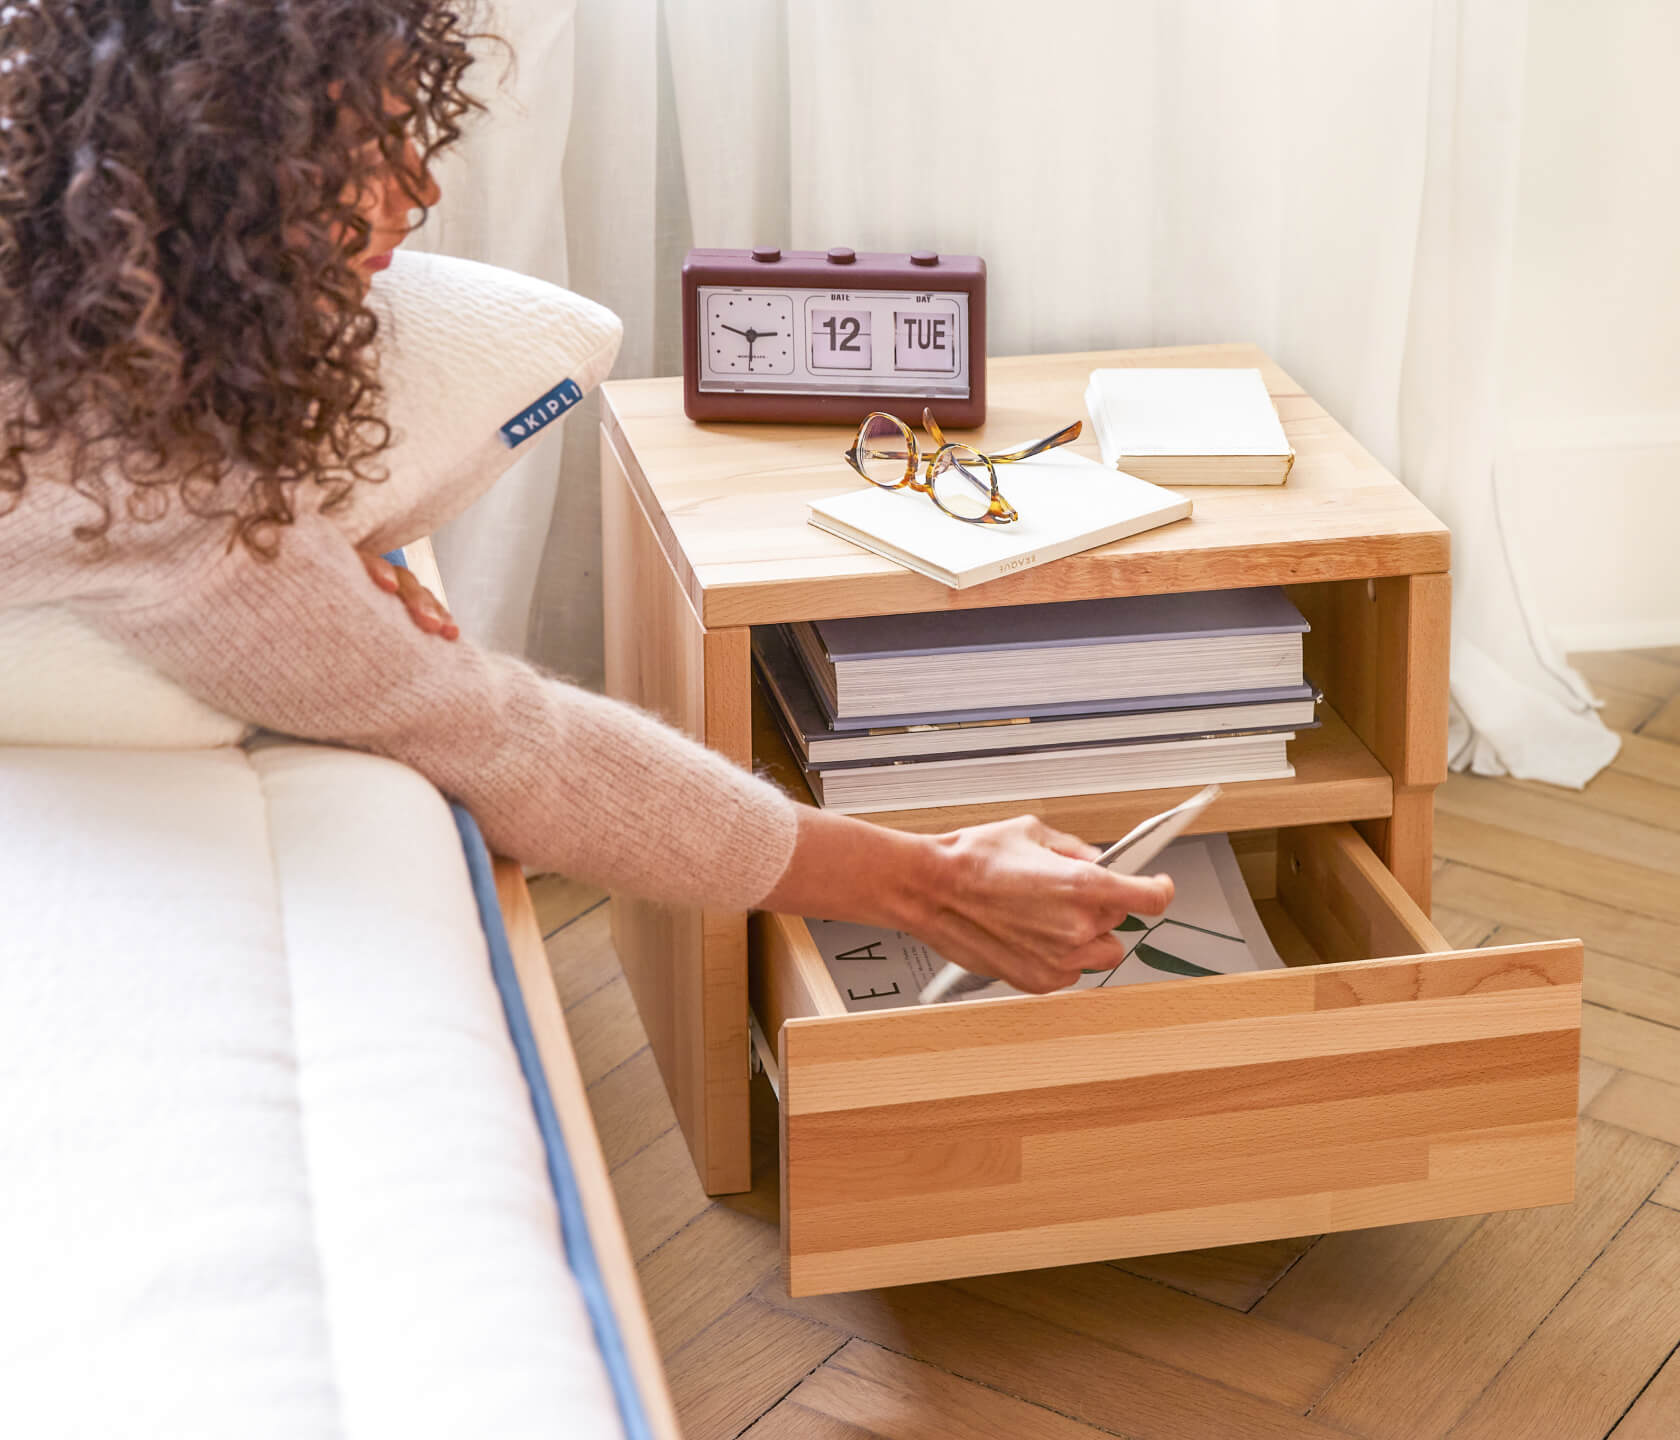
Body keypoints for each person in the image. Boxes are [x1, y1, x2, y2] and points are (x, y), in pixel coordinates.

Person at [0, 0, 1170, 993]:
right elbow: (508, 744)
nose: (417, 191)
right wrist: (938, 883)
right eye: (360, 152)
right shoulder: (168, 504)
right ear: (216, 175)